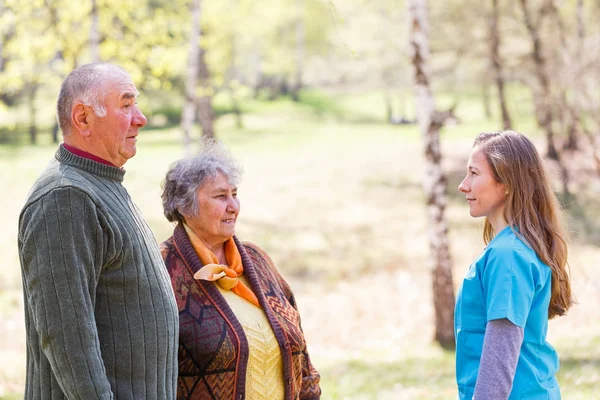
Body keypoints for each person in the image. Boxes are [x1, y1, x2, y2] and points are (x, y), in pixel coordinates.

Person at [18, 63, 179, 399]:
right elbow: (67, 339)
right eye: (126, 105)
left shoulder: (100, 185)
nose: (141, 117)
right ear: (84, 119)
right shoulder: (66, 198)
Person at [159, 142, 321, 400]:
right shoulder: (161, 270)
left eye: (234, 194)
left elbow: (301, 356)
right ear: (185, 206)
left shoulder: (257, 261)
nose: (233, 205)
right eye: (220, 196)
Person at [455, 130, 574, 399]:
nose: (463, 185)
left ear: (507, 182)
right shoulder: (509, 248)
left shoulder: (508, 255)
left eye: (474, 173)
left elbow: (499, 360)